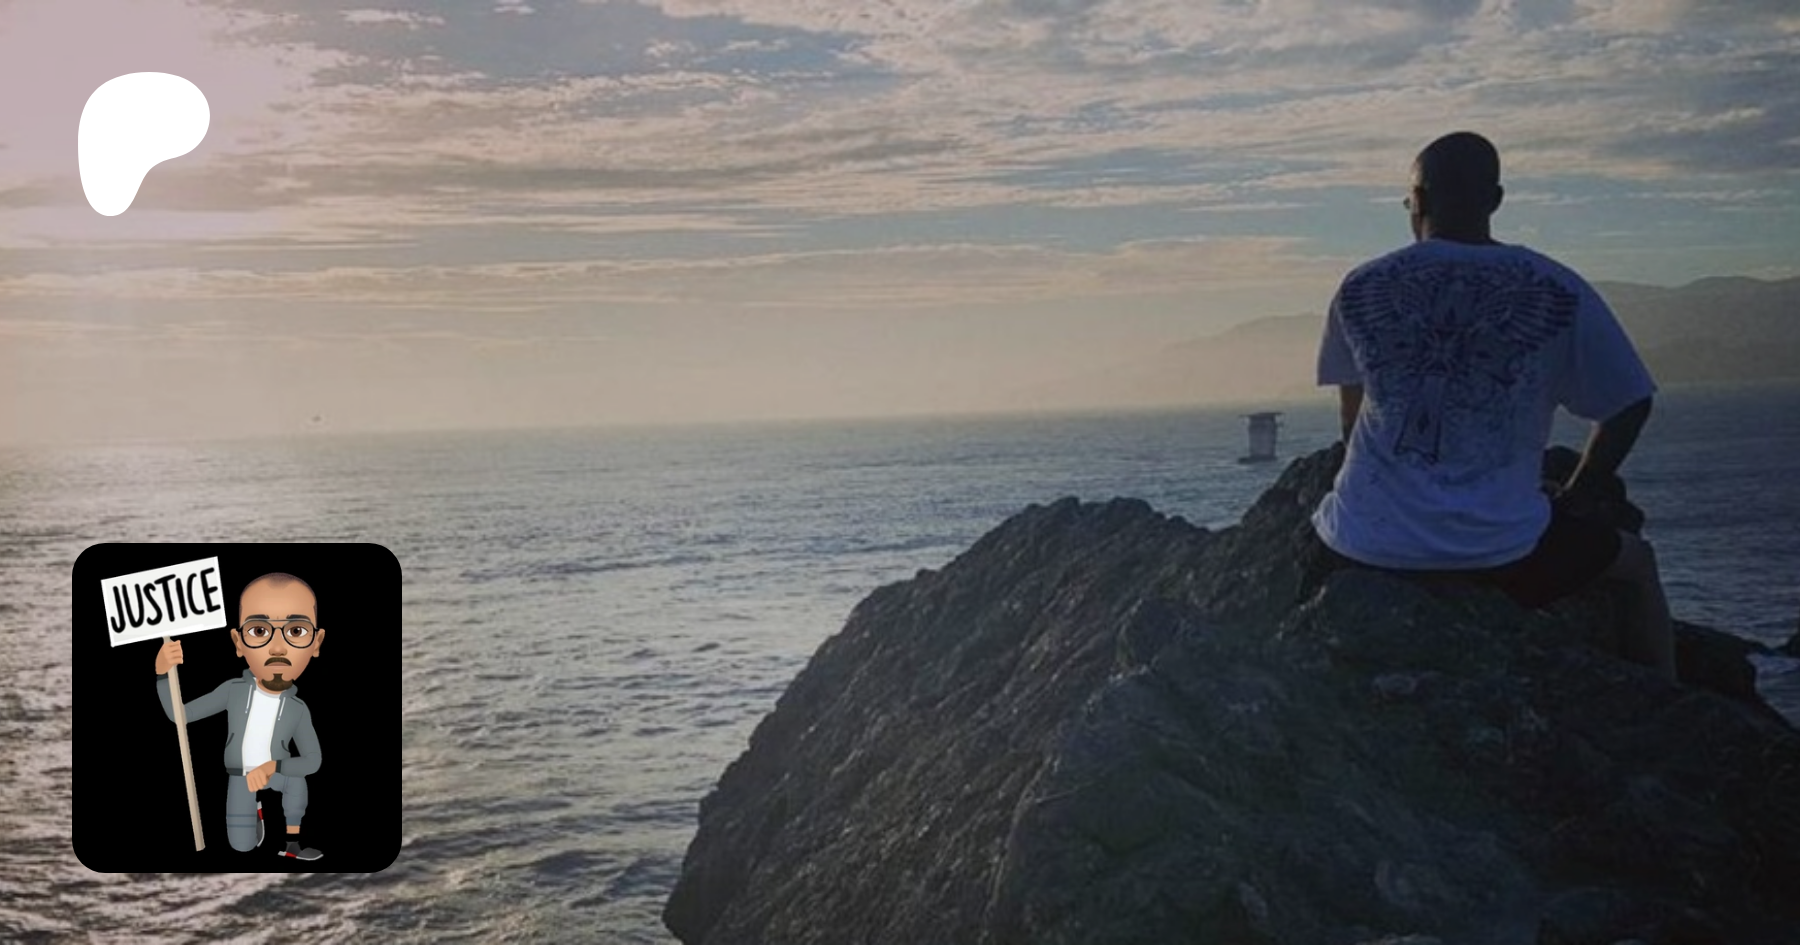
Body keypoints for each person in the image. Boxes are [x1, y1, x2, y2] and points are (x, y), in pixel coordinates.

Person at [1311, 130, 1676, 682]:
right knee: (1637, 565)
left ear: (1418, 201)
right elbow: (1629, 404)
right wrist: (1579, 493)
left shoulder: (1362, 286)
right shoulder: (1556, 287)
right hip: (1502, 552)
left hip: (1366, 546)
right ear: (1496, 199)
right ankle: (1665, 698)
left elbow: (1350, 420)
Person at [155, 572, 327, 859]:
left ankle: (292, 844)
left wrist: (273, 766)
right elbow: (179, 716)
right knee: (242, 847)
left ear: (316, 643)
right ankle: (256, 814)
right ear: (238, 642)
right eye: (259, 631)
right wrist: (163, 675)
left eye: (296, 631)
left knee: (297, 783)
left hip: (275, 774)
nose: (277, 648)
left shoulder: (298, 709)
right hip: (240, 776)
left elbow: (313, 760)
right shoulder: (233, 691)